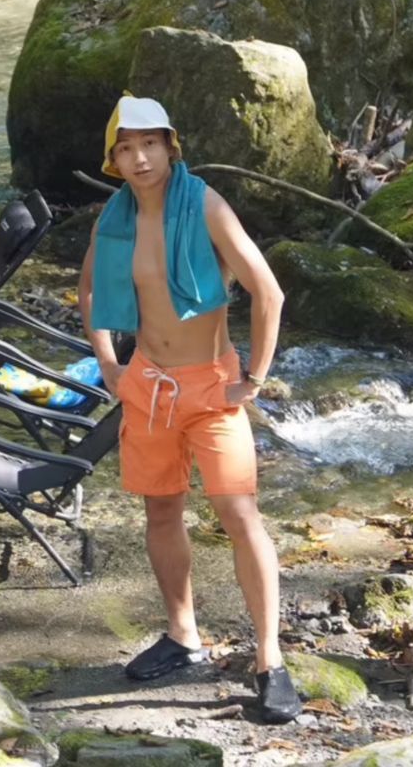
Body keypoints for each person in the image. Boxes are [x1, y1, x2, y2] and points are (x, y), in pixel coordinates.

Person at [77, 95, 302, 724]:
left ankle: (270, 659)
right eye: (126, 148)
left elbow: (268, 292)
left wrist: (252, 379)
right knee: (161, 510)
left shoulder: (204, 205)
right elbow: (89, 289)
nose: (140, 158)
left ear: (170, 146)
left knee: (239, 513)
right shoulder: (113, 220)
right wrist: (109, 365)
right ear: (114, 160)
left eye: (149, 143)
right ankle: (183, 635)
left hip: (211, 387)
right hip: (148, 386)